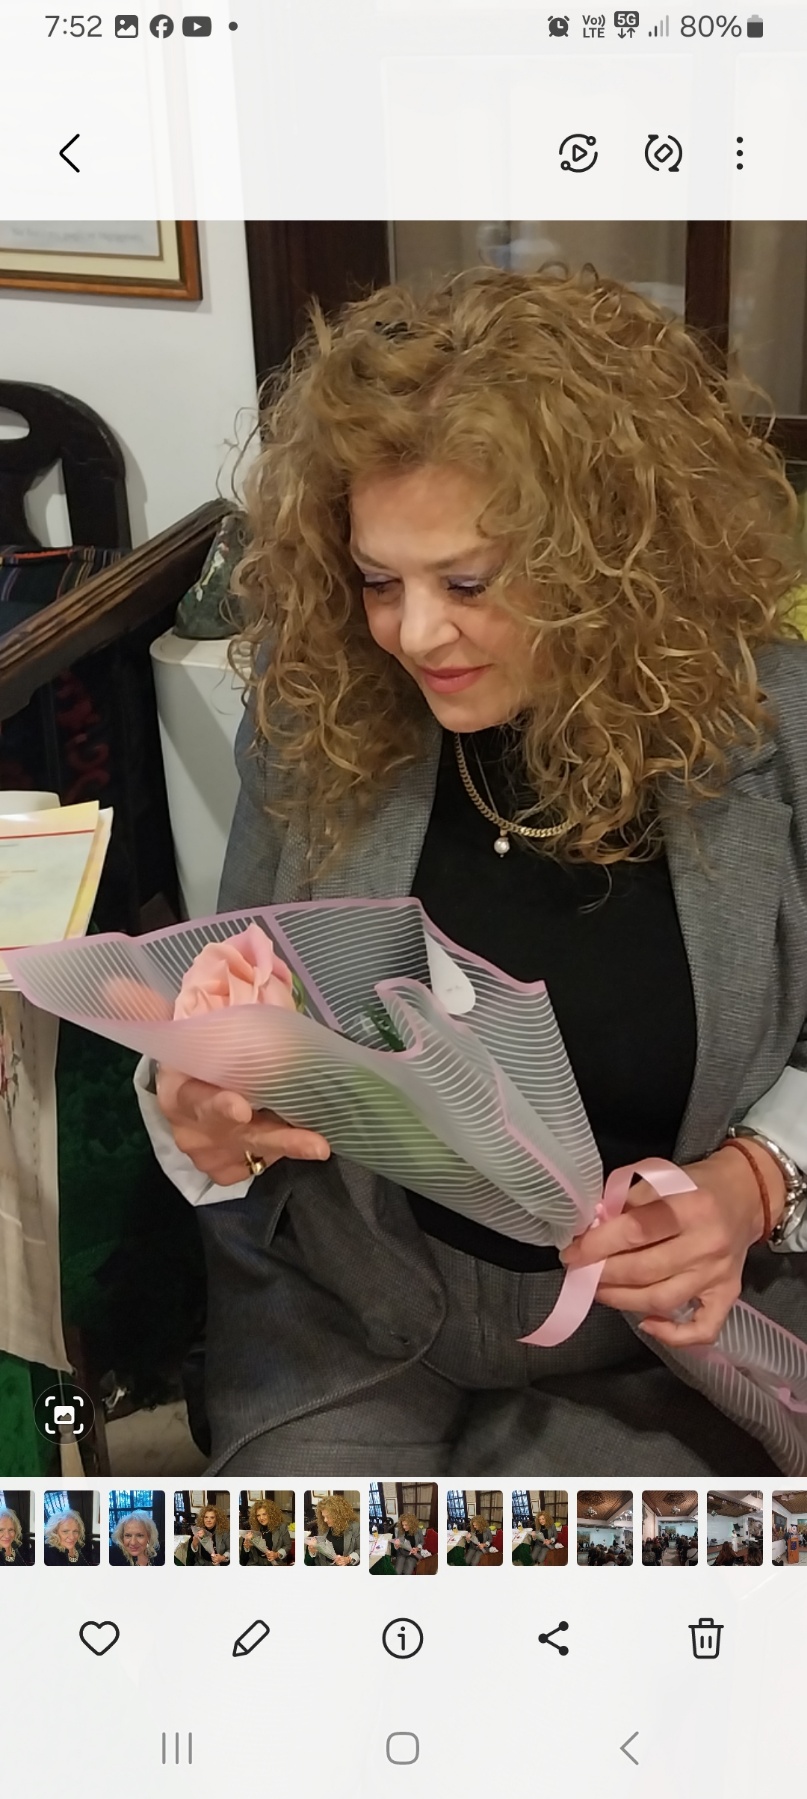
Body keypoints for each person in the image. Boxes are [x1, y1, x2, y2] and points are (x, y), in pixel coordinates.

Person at [140, 263, 807, 1478]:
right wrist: (201, 1101)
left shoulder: (774, 732)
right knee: (302, 1587)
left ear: (611, 554)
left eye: (468, 582)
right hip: (352, 1308)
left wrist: (756, 1181)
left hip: (664, 1339)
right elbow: (233, 984)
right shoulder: (321, 709)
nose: (414, 634)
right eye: (377, 579)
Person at [305, 1496, 360, 1566]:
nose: (325, 1520)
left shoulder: (355, 1527)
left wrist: (348, 1559)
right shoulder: (323, 1526)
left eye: (328, 1517)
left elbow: (361, 1549)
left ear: (339, 1515)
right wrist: (313, 1551)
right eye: (323, 1516)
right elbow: (320, 1552)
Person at [240, 1498, 292, 1565]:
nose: (261, 1518)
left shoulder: (282, 1527)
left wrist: (277, 1554)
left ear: (271, 1514)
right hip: (256, 1563)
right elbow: (248, 1554)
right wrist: (247, 1547)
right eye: (258, 1515)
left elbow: (287, 1545)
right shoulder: (254, 1528)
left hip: (275, 1563)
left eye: (264, 1514)